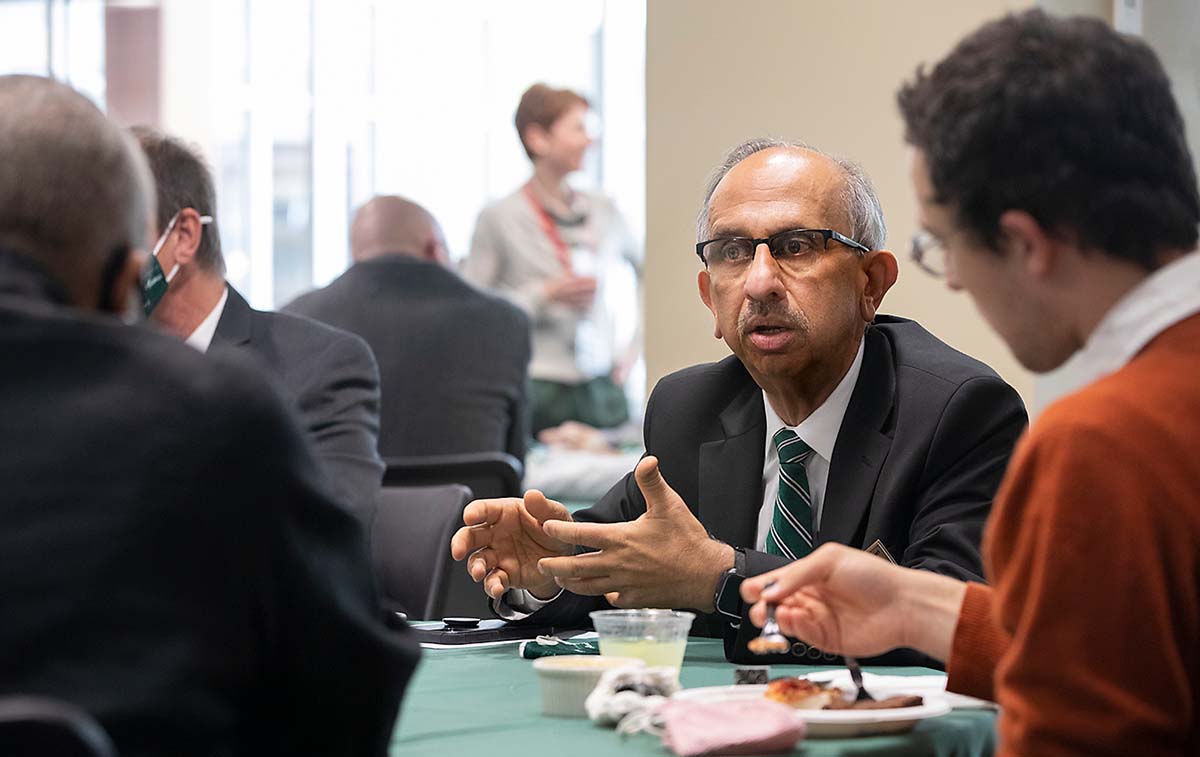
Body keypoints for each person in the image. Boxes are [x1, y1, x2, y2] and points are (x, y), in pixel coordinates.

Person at [741, 11, 1200, 755]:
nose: (952, 279)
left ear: (1023, 243)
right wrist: (919, 605)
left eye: (944, 244)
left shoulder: (1106, 442)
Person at [452, 138, 1028, 664]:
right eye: (732, 251)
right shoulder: (690, 408)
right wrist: (550, 569)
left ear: (870, 283)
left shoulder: (958, 412)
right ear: (710, 298)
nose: (759, 282)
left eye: (796, 246)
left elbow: (953, 631)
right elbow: (627, 565)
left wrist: (723, 579)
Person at [0, 74, 418, 757]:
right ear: (116, 279)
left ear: (185, 236)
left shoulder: (300, 369)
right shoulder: (217, 408)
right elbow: (349, 693)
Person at [132, 127, 385, 515]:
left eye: (113, 235)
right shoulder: (94, 368)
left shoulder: (320, 370)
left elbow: (327, 540)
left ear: (183, 236)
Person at [284, 195, 532, 464]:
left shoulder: (296, 318)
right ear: (435, 249)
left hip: (345, 504)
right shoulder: (506, 321)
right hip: (471, 503)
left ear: (356, 253)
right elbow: (515, 457)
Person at [463, 83, 642, 435]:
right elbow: (474, 312)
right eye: (578, 129)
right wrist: (542, 295)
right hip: (539, 386)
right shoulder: (500, 216)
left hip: (599, 384)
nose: (589, 141)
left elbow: (650, 272)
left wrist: (632, 349)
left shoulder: (603, 210)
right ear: (537, 138)